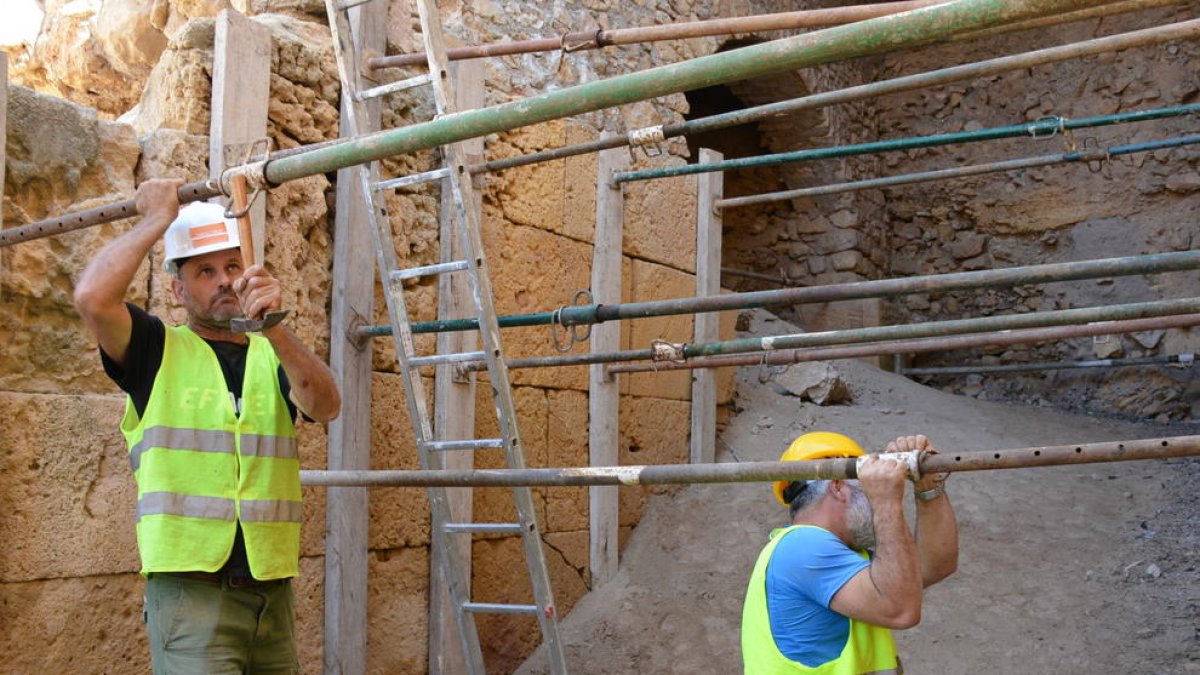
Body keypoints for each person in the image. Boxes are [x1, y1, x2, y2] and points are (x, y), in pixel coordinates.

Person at [73, 178, 341, 674]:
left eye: (233, 267)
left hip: (271, 589)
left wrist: (274, 325)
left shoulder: (273, 352)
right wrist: (157, 219)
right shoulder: (156, 348)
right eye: (205, 271)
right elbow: (92, 298)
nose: (224, 280)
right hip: (192, 592)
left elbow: (326, 406)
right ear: (179, 289)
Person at [741, 431, 958, 674]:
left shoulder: (843, 557)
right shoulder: (803, 547)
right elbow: (901, 610)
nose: (870, 497)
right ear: (838, 487)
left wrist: (928, 486)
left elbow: (934, 565)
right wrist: (885, 502)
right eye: (866, 488)